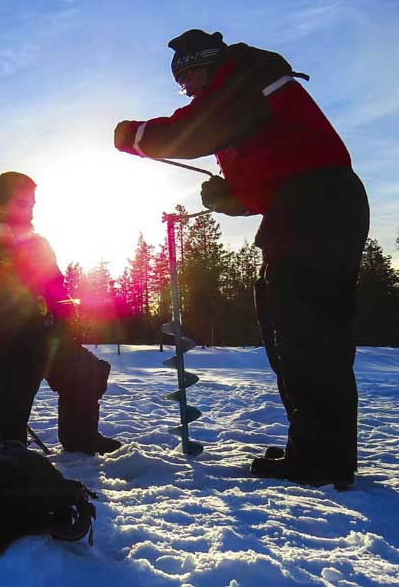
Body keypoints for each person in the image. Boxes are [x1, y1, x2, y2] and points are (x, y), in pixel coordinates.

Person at [113, 29, 369, 487]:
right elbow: (276, 167)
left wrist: (135, 136)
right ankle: (315, 448)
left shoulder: (243, 81)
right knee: (286, 326)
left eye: (187, 77)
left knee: (307, 334)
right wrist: (230, 195)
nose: (187, 89)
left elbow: (193, 131)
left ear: (206, 64)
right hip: (308, 207)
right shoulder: (248, 95)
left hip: (318, 208)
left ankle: (321, 460)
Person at [0, 171, 121, 455]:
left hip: (37, 335)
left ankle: (81, 438)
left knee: (85, 367)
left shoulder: (38, 244)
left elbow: (57, 290)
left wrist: (63, 316)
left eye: (33, 204)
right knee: (25, 354)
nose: (30, 210)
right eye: (23, 203)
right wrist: (3, 310)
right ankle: (5, 440)